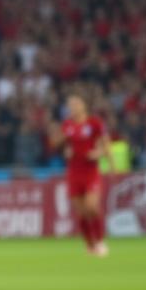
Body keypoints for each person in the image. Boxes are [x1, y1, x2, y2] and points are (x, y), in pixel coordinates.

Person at [51, 93, 114, 256]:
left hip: (90, 171)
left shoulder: (94, 123)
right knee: (81, 212)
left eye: (75, 104)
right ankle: (90, 244)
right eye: (70, 105)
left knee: (92, 207)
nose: (72, 108)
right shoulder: (67, 125)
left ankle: (100, 241)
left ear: (83, 106)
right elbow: (55, 144)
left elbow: (106, 144)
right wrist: (64, 148)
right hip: (74, 172)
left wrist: (101, 155)